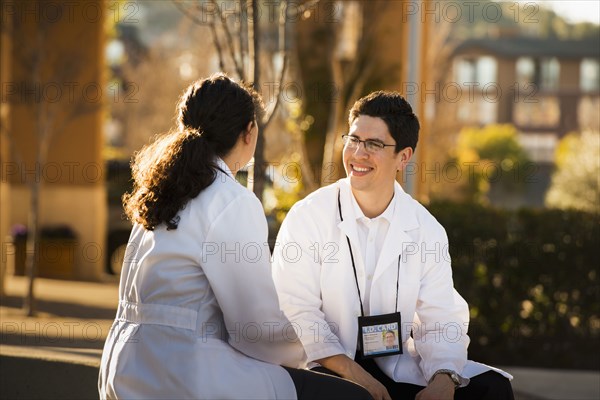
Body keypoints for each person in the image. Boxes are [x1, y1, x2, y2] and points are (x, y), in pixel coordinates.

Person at [98, 74, 372, 400]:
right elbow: (256, 330)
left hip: (124, 370)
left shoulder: (160, 191)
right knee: (353, 397)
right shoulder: (230, 200)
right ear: (249, 132)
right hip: (185, 374)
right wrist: (323, 341)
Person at [272, 91, 515, 400]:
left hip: (393, 366)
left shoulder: (426, 229)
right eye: (354, 139)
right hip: (325, 364)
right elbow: (296, 310)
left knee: (493, 389)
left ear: (403, 157)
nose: (358, 154)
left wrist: (444, 378)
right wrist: (352, 372)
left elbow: (440, 319)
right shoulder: (310, 215)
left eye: (373, 144)